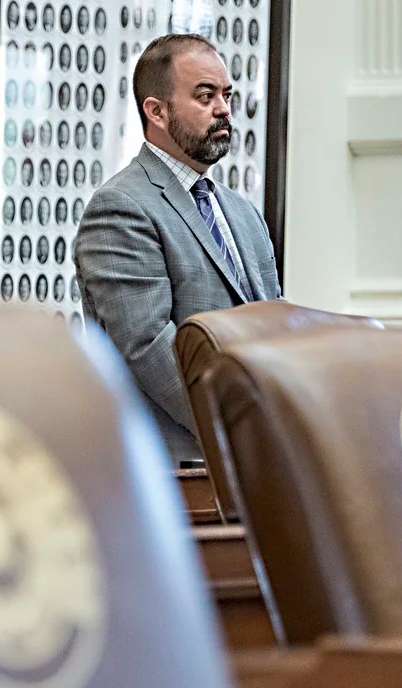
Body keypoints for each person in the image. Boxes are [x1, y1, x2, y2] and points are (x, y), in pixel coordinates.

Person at [74, 33, 281, 466]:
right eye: (205, 96)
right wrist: (239, 433)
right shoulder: (121, 207)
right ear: (157, 112)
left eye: (226, 95)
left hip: (253, 465)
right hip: (176, 468)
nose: (223, 109)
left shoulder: (243, 213)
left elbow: (269, 326)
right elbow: (148, 345)